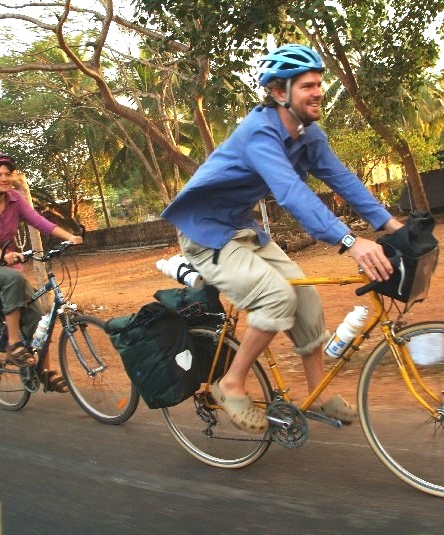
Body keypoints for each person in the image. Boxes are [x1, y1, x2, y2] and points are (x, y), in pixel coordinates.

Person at [161, 44, 403, 433]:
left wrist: (392, 226)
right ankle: (231, 383)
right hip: (205, 234)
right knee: (276, 297)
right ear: (279, 93)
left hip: (241, 229)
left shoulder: (309, 135)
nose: (318, 91)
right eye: (307, 85)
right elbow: (292, 193)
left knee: (305, 296)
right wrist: (350, 241)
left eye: (319, 83)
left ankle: (318, 394)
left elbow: (343, 180)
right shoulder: (259, 133)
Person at [0, 152, 83, 392]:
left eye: (7, 174)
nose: (4, 178)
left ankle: (43, 372)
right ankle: (14, 343)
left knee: (39, 317)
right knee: (14, 278)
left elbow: (38, 221)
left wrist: (70, 237)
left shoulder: (15, 198)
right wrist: (1, 256)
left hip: (8, 267)